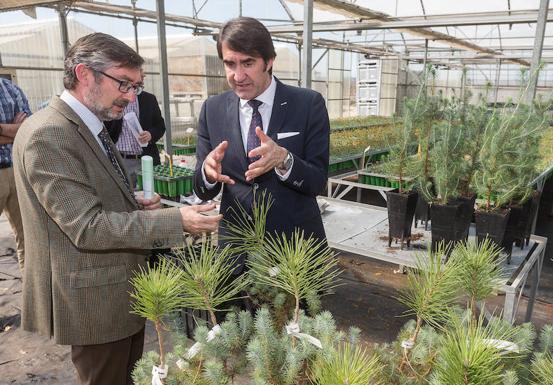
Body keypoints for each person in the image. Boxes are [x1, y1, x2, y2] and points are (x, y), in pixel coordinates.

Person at [12, 33, 222, 385]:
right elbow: (87, 227)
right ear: (84, 74)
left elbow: (86, 197)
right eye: (123, 83)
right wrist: (176, 220)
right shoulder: (49, 134)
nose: (130, 96)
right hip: (93, 300)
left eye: (136, 86)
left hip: (114, 289)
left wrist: (135, 204)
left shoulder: (86, 125)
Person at [193, 17, 330, 261]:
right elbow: (201, 190)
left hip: (294, 250)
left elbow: (318, 182)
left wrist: (284, 159)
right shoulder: (212, 110)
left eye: (248, 63)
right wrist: (207, 172)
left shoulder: (308, 104)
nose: (238, 75)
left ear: (269, 61)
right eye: (230, 64)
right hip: (237, 252)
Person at [105, 73, 166, 187]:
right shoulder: (113, 99)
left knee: (149, 196)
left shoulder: (149, 99)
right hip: (120, 160)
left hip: (146, 160)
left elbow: (160, 126)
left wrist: (151, 134)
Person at [0, 78, 30, 270]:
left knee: (27, 235)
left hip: (17, 169)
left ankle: (30, 293)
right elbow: (20, 130)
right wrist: (14, 130)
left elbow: (28, 128)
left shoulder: (11, 88)